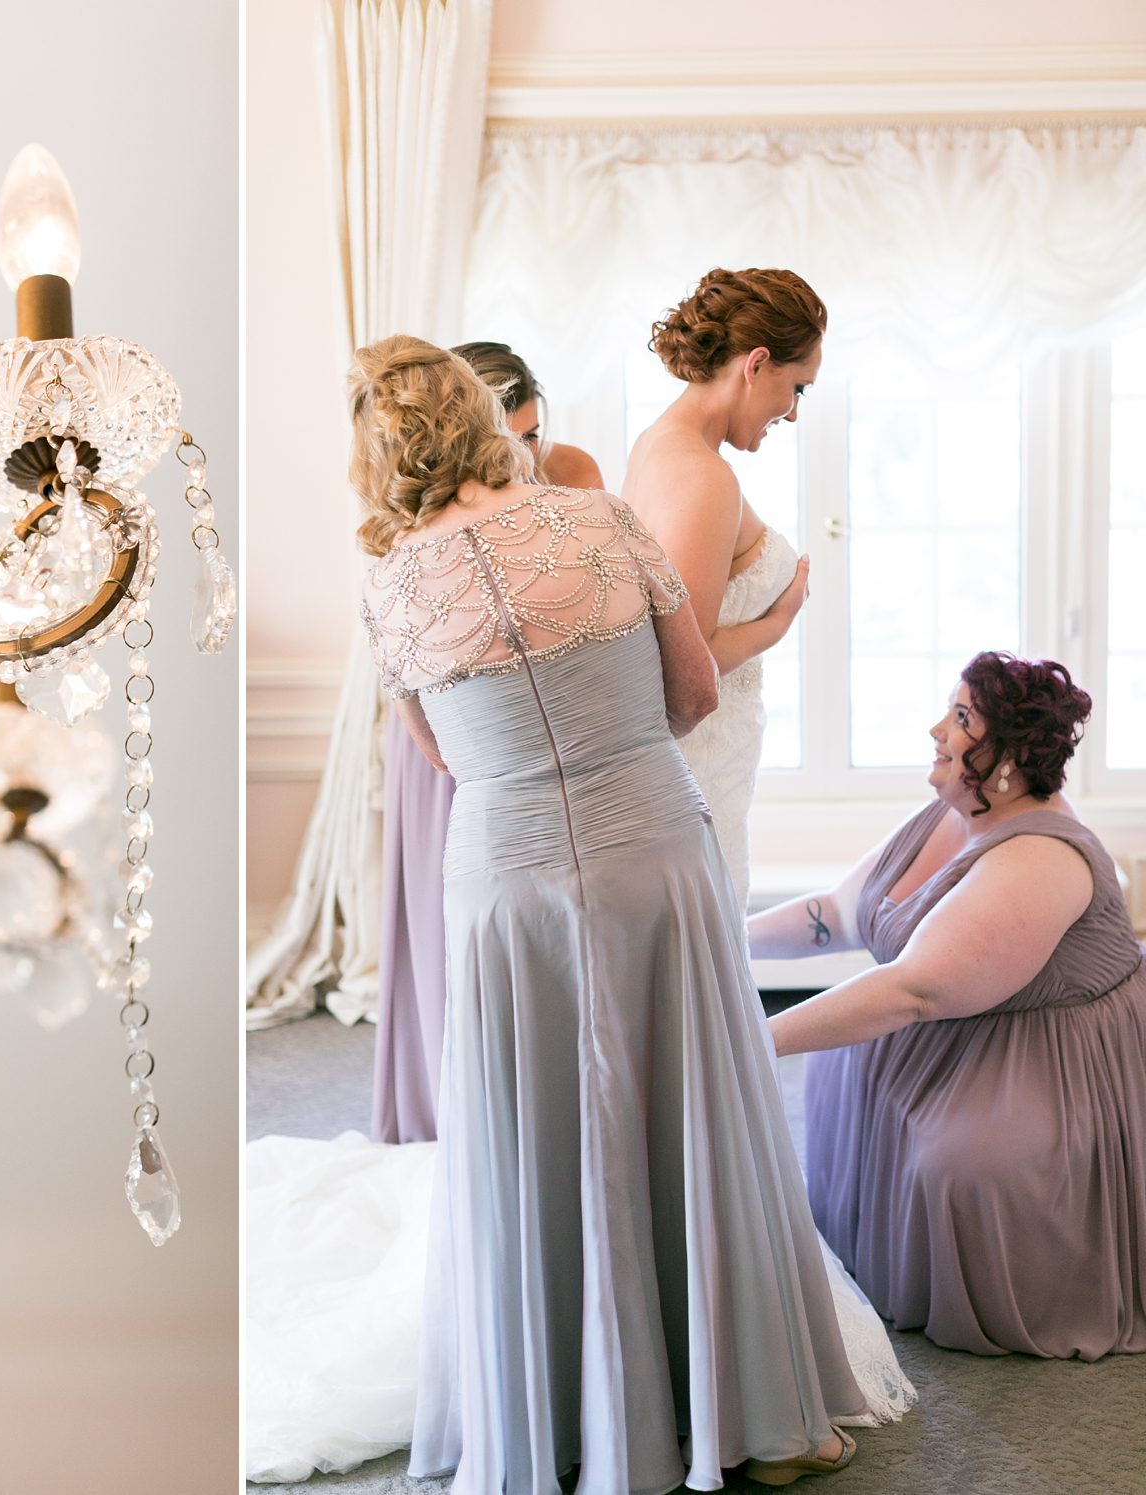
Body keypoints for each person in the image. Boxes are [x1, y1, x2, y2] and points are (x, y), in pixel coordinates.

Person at [355, 334, 866, 1493]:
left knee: (532, 1124)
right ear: (485, 419)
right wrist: (609, 751)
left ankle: (558, 1425)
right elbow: (691, 692)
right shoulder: (599, 522)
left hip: (505, 872)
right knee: (692, 1101)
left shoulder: (389, 586)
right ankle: (756, 1419)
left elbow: (439, 758)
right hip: (646, 835)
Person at [752, 652, 1146, 1360]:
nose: (936, 730)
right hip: (965, 1017)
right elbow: (836, 911)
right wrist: (727, 941)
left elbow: (914, 989)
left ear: (1007, 759)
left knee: (962, 1167)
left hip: (1064, 1051)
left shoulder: (1042, 858)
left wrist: (753, 1037)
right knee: (842, 1063)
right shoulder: (954, 810)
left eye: (959, 719)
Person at [373, 341, 603, 1145]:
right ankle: (463, 1106)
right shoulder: (416, 508)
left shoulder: (573, 472)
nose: (524, 456)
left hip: (548, 711)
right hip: (450, 718)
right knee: (456, 913)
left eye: (533, 433)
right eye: (509, 438)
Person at [621, 268, 819, 905]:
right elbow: (686, 662)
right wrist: (776, 623)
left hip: (707, 764)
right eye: (796, 388)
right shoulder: (703, 476)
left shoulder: (656, 444)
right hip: (698, 770)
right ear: (756, 364)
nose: (793, 412)